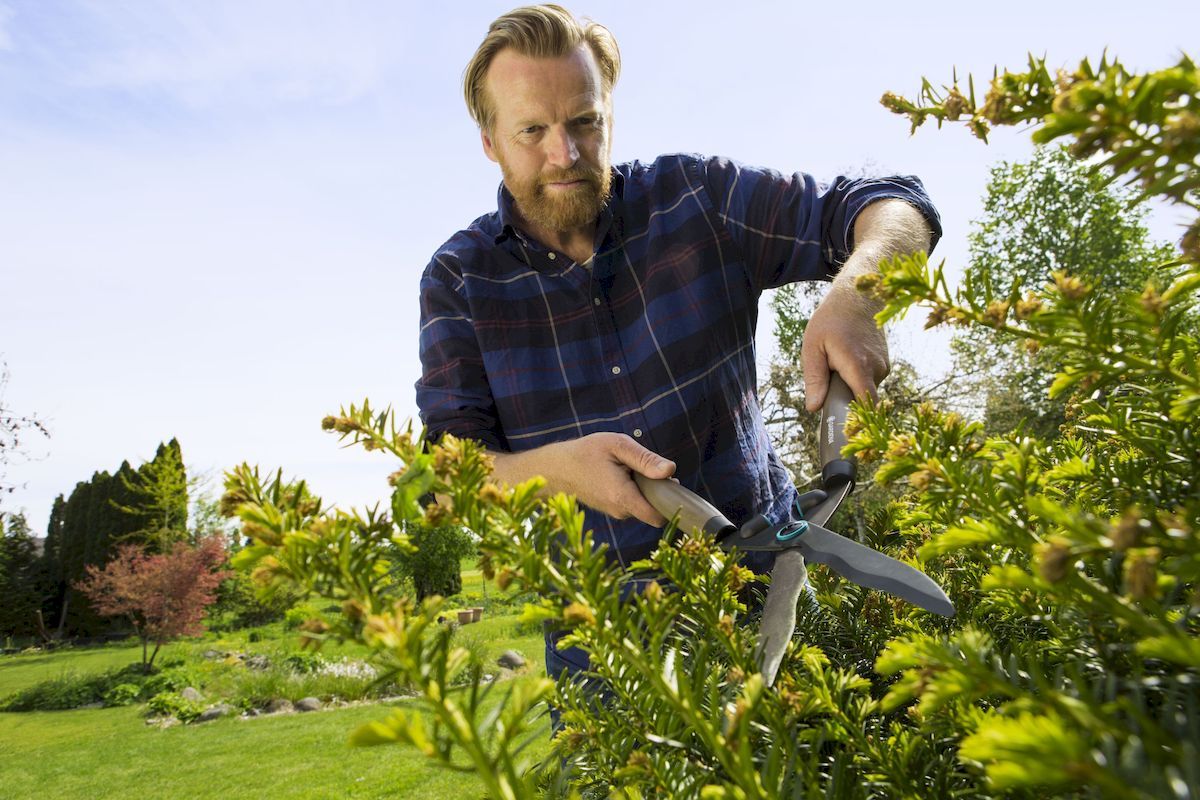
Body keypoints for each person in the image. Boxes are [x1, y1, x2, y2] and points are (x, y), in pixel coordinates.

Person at [416, 5, 941, 682]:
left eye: (584, 121)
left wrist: (860, 292)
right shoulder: (459, 278)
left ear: (609, 114)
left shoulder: (695, 198)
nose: (564, 154)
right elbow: (445, 472)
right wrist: (554, 471)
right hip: (608, 652)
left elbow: (892, 202)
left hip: (771, 587)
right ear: (489, 140)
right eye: (531, 131)